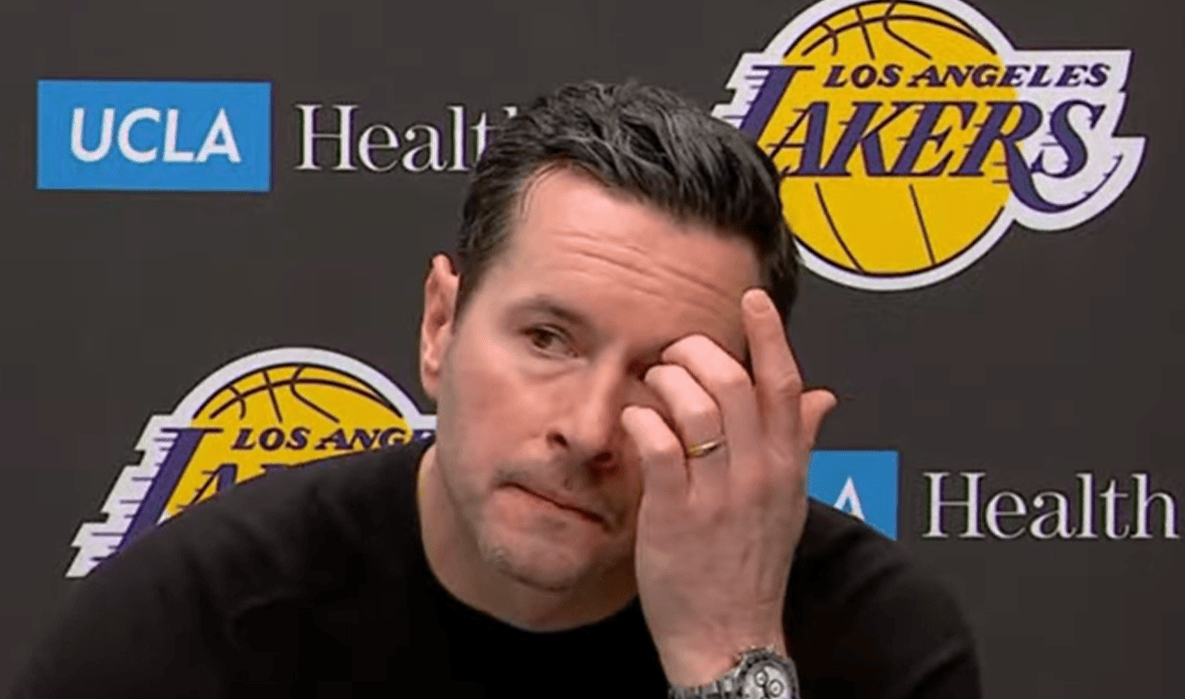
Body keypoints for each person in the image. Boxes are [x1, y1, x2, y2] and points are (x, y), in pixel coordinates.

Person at [9, 81, 979, 698]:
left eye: (663, 374)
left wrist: (728, 660)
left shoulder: (874, 635)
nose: (589, 429)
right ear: (441, 325)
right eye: (548, 339)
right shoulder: (199, 627)